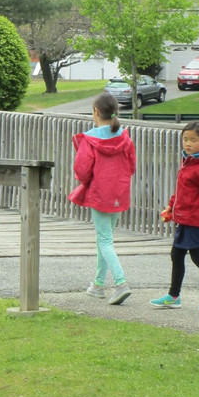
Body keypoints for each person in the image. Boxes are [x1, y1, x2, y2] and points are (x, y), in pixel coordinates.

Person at [150, 121, 199, 312]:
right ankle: (173, 296)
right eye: (185, 139)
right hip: (183, 218)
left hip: (196, 219)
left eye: (193, 140)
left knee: (198, 257)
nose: (187, 143)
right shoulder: (188, 161)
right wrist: (171, 205)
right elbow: (181, 190)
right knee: (176, 255)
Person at [70, 93, 137, 305]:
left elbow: (82, 170)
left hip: (100, 193)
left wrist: (87, 181)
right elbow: (132, 166)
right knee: (104, 238)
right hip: (119, 192)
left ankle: (121, 283)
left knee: (105, 240)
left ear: (96, 112)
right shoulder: (124, 138)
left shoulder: (90, 139)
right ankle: (98, 285)